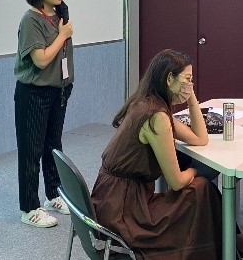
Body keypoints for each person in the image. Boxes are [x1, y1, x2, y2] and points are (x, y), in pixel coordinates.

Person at [91, 49, 223, 260]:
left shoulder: (144, 103)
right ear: (169, 79)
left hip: (109, 200)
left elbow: (200, 138)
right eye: (187, 80)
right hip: (125, 212)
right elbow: (176, 182)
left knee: (200, 188)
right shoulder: (157, 117)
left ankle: (228, 243)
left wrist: (191, 98)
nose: (190, 85)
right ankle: (226, 246)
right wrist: (195, 170)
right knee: (202, 187)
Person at [14, 0, 74, 228]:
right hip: (34, 93)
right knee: (31, 151)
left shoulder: (59, 15)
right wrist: (63, 35)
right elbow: (40, 60)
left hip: (58, 90)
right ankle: (29, 208)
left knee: (53, 146)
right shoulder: (31, 20)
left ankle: (54, 194)